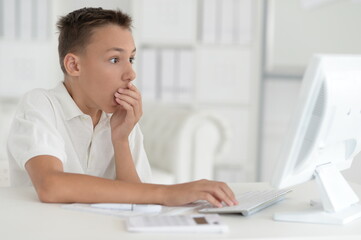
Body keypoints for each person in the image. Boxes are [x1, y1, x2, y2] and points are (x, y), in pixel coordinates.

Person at [7, 7, 238, 208]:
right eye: (115, 60)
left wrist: (121, 140)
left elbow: (134, 199)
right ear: (74, 64)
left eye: (131, 59)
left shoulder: (120, 119)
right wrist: (167, 192)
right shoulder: (41, 104)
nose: (131, 74)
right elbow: (51, 186)